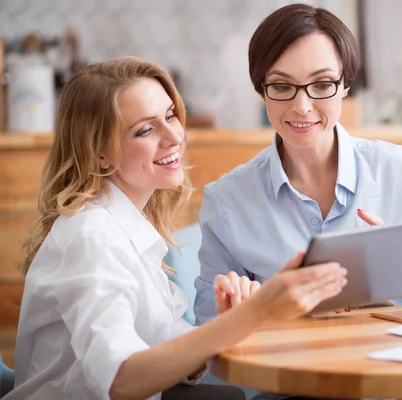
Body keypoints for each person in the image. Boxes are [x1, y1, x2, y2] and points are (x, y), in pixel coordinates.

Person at [6, 57, 348, 400]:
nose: (174, 137)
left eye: (170, 116)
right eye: (145, 129)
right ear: (100, 155)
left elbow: (170, 341)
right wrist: (250, 316)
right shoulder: (91, 237)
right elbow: (120, 381)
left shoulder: (129, 227)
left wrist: (231, 322)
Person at [194, 2, 402, 328]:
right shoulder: (228, 201)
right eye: (281, 87)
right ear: (261, 90)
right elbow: (206, 337)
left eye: (322, 85)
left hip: (389, 370)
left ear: (345, 85)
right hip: (283, 377)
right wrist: (244, 316)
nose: (302, 106)